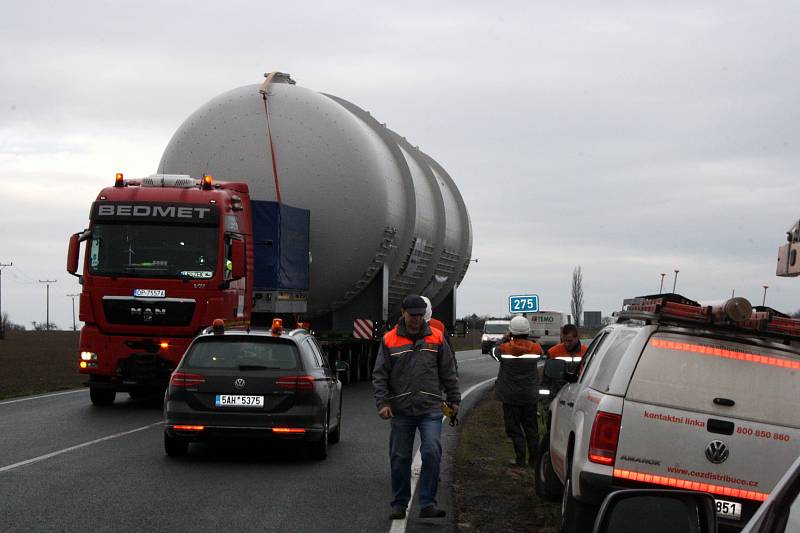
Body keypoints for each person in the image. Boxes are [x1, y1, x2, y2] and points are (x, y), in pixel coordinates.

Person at [373, 294, 461, 521]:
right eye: (413, 315)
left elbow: (448, 371)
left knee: (431, 451)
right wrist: (383, 403)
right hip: (401, 410)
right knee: (400, 457)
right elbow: (380, 375)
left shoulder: (437, 338)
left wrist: (454, 399)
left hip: (431, 408)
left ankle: (427, 503)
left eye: (420, 315)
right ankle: (399, 504)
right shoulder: (389, 340)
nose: (417, 319)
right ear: (403, 313)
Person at [490, 315, 543, 467]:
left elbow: (492, 352)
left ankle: (520, 458)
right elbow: (540, 356)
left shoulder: (505, 348)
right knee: (532, 429)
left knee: (513, 428)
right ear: (528, 331)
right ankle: (534, 460)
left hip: (510, 396)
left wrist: (504, 339)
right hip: (529, 396)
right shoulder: (535, 348)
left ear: (511, 332)